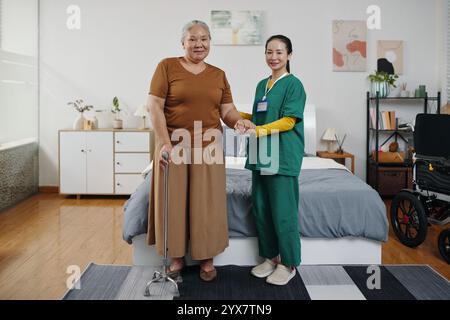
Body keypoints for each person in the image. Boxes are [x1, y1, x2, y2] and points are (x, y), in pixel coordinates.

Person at [146, 20, 253, 282]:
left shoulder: (218, 74)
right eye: (192, 39)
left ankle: (207, 259)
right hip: (174, 145)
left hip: (209, 146)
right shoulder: (166, 67)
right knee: (174, 201)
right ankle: (176, 258)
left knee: (207, 203)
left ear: (210, 43)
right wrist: (165, 145)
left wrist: (237, 121)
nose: (199, 44)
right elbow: (154, 106)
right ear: (182, 42)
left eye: (204, 39)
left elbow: (227, 110)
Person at [239, 35, 306, 285]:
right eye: (269, 52)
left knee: (283, 212)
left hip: (282, 156)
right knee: (262, 208)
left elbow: (289, 120)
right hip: (260, 154)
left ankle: (288, 264)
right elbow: (257, 116)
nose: (273, 57)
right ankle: (270, 257)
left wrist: (257, 129)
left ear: (289, 55)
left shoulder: (294, 85)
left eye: (279, 52)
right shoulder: (261, 85)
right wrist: (237, 116)